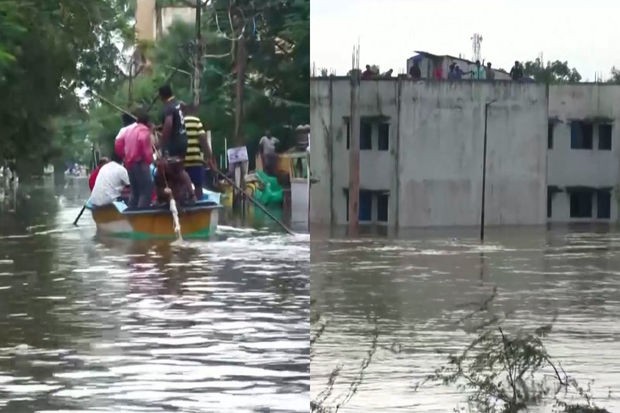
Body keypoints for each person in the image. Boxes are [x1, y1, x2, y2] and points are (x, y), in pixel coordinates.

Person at [122, 108, 154, 208]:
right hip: (140, 163)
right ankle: (141, 215)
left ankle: (131, 214)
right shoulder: (143, 130)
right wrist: (150, 160)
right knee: (146, 191)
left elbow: (120, 144)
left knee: (135, 192)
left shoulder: (129, 130)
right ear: (147, 122)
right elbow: (144, 144)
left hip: (129, 163)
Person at [182, 103, 216, 200]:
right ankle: (198, 205)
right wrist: (209, 157)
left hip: (182, 161)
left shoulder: (180, 122)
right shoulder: (196, 121)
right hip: (195, 160)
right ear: (193, 111)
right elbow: (203, 140)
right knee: (198, 186)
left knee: (183, 186)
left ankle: (185, 205)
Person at [158, 84, 187, 159]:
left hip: (174, 143)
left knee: (171, 168)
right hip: (183, 140)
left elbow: (169, 125)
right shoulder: (177, 104)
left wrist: (161, 143)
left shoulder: (169, 106)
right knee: (180, 168)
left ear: (161, 96)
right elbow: (178, 121)